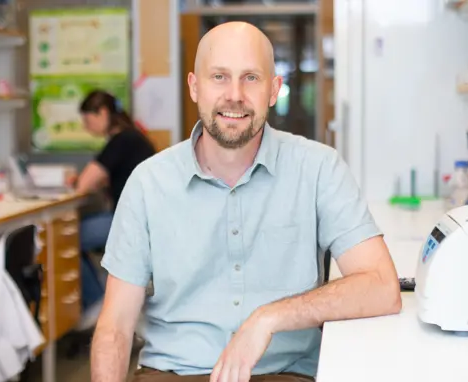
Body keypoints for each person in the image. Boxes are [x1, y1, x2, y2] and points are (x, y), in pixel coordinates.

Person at [91, 22, 401, 382]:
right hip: (174, 373)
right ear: (195, 87)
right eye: (219, 77)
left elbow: (382, 286)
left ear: (273, 90)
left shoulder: (318, 168)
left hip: (284, 373)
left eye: (251, 78)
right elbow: (115, 327)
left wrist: (267, 318)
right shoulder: (148, 183)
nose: (234, 95)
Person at [74, 90, 156, 330]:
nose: (86, 126)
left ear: (103, 113)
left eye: (88, 120)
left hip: (133, 223)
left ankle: (96, 302)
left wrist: (79, 181)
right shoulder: (132, 138)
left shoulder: (121, 140)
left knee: (71, 239)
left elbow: (83, 185)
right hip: (143, 220)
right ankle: (101, 300)